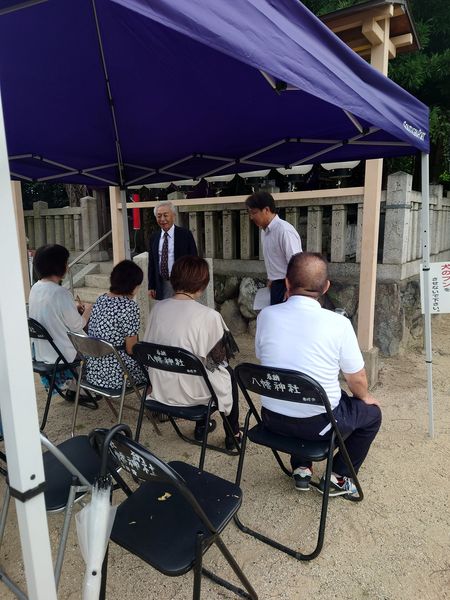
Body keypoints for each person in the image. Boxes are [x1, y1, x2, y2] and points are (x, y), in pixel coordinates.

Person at [255, 252, 381, 496]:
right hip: (318, 426)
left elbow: (265, 357)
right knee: (372, 415)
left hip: (271, 419)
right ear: (325, 287)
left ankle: (301, 467)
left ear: (287, 283)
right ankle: (339, 477)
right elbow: (357, 380)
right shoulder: (339, 324)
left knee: (298, 391)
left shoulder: (266, 316)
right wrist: (364, 397)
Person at [143, 256, 240, 449]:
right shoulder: (209, 316)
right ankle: (233, 434)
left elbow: (148, 348)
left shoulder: (157, 309)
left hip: (161, 389)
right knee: (227, 374)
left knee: (198, 365)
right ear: (202, 284)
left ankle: (202, 426)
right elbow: (218, 361)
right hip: (193, 394)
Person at [28, 244, 92, 400]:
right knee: (94, 344)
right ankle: (82, 389)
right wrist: (88, 310)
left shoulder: (35, 288)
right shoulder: (61, 293)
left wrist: (72, 306)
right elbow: (78, 325)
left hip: (41, 352)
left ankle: (74, 387)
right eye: (65, 262)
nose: (67, 265)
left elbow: (50, 311)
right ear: (58, 266)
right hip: (60, 353)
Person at [86, 260, 146, 390]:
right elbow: (131, 349)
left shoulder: (101, 299)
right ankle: (151, 404)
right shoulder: (129, 307)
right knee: (154, 368)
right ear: (132, 285)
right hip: (117, 375)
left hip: (94, 372)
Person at [246, 191, 302, 305]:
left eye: (254, 212)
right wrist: (272, 279)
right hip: (276, 284)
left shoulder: (284, 230)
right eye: (250, 213)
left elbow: (297, 263)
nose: (251, 217)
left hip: (288, 285)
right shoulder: (264, 231)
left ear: (266, 210)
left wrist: (291, 288)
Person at [148, 201, 198, 300]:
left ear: (173, 216)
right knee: (165, 312)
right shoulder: (154, 237)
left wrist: (192, 284)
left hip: (182, 284)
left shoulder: (185, 235)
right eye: (159, 216)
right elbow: (152, 263)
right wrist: (151, 286)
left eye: (165, 215)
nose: (162, 219)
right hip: (162, 283)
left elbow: (194, 260)